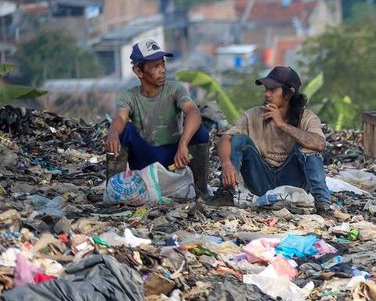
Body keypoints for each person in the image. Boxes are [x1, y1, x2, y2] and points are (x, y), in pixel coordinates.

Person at [216, 66, 332, 212]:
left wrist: (282, 124)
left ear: (289, 93)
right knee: (238, 139)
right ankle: (226, 193)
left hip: (293, 182)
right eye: (266, 89)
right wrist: (226, 163)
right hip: (261, 179)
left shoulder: (307, 117)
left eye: (272, 90)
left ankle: (323, 204)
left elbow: (319, 144)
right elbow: (225, 139)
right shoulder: (253, 115)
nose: (267, 94)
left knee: (309, 147)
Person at [107, 38, 210, 197]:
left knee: (200, 131)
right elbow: (120, 118)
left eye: (163, 64)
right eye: (156, 66)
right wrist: (112, 134)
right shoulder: (130, 96)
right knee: (122, 131)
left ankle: (201, 191)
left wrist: (183, 143)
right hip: (145, 158)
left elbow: (193, 112)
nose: (162, 70)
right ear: (139, 72)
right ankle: (114, 190)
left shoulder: (175, 89)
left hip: (174, 158)